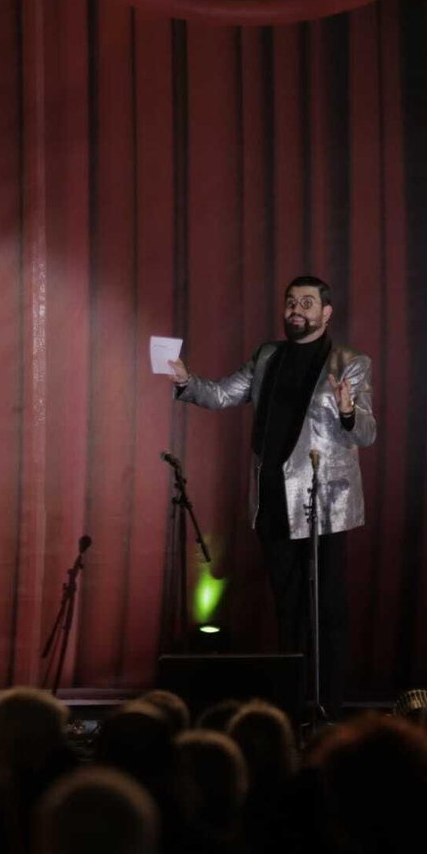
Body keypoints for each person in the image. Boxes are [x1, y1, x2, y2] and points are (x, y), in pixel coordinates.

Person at [168, 276, 376, 714]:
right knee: (287, 603)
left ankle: (329, 705)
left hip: (326, 504)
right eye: (290, 302)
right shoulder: (267, 356)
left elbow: (367, 433)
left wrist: (347, 410)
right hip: (272, 499)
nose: (296, 309)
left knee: (327, 607)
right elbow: (225, 393)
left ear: (326, 312)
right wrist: (188, 381)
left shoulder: (349, 362)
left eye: (306, 302)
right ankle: (294, 702)